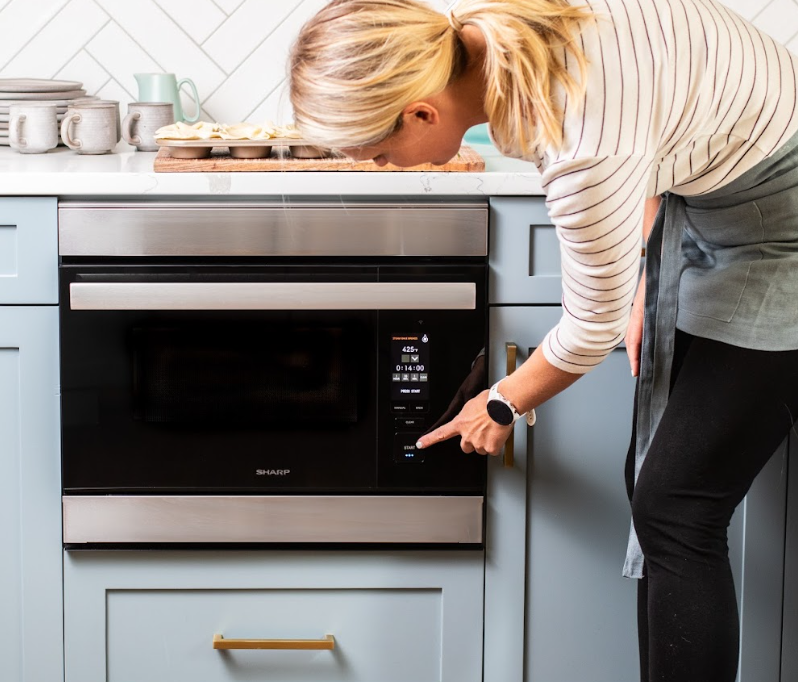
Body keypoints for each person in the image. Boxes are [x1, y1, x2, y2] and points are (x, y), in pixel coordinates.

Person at [288, 1, 798, 680]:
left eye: (379, 153)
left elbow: (588, 328)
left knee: (675, 506)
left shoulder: (577, 138)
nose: (383, 167)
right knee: (657, 488)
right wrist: (645, 263)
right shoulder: (518, 28)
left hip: (778, 233)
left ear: (421, 112)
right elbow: (657, 107)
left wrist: (499, 403)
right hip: (714, 199)